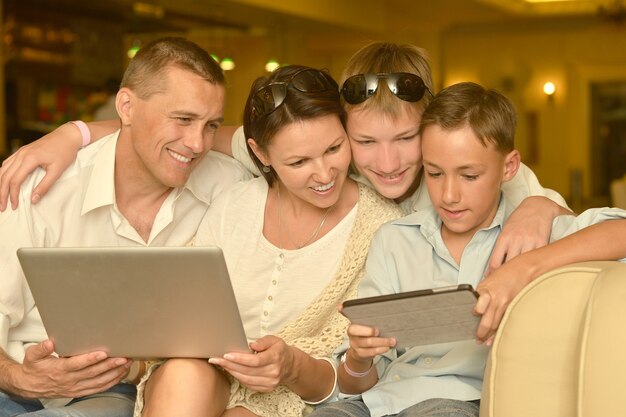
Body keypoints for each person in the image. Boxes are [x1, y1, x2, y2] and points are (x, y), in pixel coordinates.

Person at [0, 42, 569, 342]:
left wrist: (541, 209)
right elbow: (188, 136)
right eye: (363, 141)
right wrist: (73, 134)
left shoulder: (461, 168)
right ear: (338, 128)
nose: (388, 162)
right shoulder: (312, 161)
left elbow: (550, 207)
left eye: (407, 140)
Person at [309, 82, 626, 417]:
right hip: (376, 400)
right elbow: (358, 383)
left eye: (469, 176)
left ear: (509, 167)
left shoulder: (530, 233)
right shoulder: (394, 239)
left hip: (459, 400)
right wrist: (359, 358)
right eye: (433, 173)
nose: (449, 195)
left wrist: (525, 266)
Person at [129, 65, 402, 417]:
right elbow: (182, 309)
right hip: (208, 374)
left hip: (296, 394)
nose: (323, 173)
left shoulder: (384, 227)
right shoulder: (235, 203)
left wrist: (289, 365)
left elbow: (354, 379)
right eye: (299, 161)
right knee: (184, 375)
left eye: (334, 148)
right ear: (260, 154)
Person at [0, 37, 250, 417]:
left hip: (117, 389)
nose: (198, 143)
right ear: (126, 107)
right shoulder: (41, 184)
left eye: (211, 124)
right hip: (14, 380)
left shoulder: (229, 188)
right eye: (183, 119)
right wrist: (19, 378)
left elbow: (289, 149)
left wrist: (77, 130)